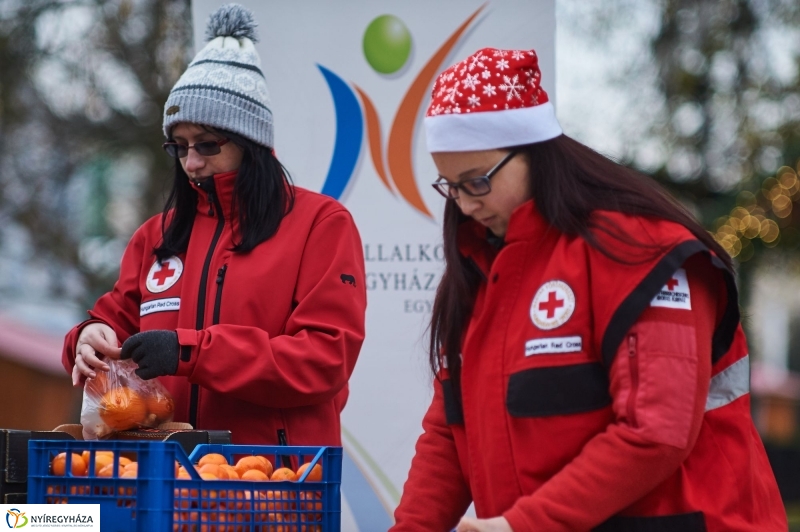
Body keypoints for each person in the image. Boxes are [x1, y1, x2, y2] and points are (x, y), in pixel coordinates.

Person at [391, 48, 786, 532]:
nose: (465, 205)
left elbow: (654, 431)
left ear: (534, 151)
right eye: (449, 186)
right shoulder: (481, 267)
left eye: (477, 182)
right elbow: (450, 433)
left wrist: (523, 525)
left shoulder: (641, 250)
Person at [62, 3, 367, 447]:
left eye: (207, 144)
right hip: (161, 484)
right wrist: (85, 338)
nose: (192, 161)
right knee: (34, 520)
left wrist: (190, 352)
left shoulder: (321, 224)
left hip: (271, 484)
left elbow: (324, 360)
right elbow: (112, 322)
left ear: (251, 143)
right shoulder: (156, 235)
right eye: (178, 146)